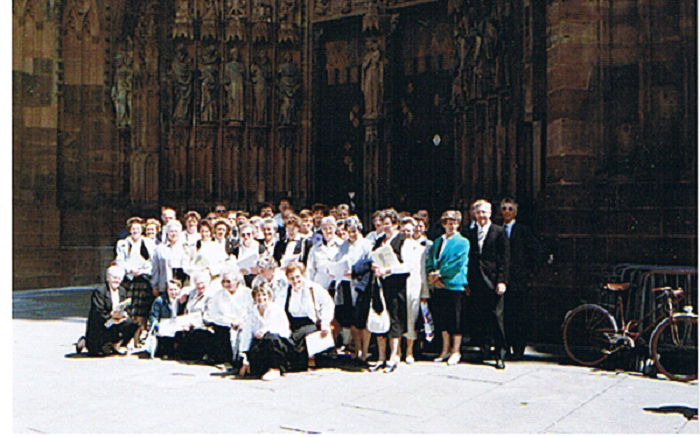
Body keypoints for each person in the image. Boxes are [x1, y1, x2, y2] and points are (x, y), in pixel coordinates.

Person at [464, 199, 510, 370]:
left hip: (493, 280)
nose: (481, 216)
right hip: (476, 281)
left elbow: (504, 259)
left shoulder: (499, 232)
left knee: (496, 317)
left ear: (490, 213)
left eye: (484, 212)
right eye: (478, 212)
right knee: (479, 316)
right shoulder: (469, 232)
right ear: (474, 214)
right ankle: (484, 350)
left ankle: (500, 354)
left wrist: (502, 281)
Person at [366, 209, 412, 373]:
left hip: (395, 285)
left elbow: (407, 266)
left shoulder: (403, 240)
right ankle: (380, 357)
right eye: (381, 224)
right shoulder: (379, 241)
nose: (384, 227)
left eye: (387, 224)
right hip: (379, 285)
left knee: (394, 319)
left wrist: (388, 270)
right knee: (379, 319)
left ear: (395, 224)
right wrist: (375, 267)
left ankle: (394, 356)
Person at [426, 210, 470, 366]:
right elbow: (431, 259)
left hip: (454, 284)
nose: (451, 225)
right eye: (448, 222)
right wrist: (432, 274)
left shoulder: (463, 242)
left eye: (455, 222)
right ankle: (445, 350)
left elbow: (458, 262)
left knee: (456, 319)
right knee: (442, 318)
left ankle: (455, 351)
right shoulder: (438, 241)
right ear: (443, 223)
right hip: (439, 285)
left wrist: (440, 274)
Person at [500, 198, 542, 360]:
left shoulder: (523, 230)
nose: (507, 211)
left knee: (518, 316)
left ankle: (518, 349)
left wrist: (530, 272)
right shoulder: (498, 230)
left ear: (515, 212)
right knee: (503, 316)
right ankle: (504, 347)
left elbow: (537, 251)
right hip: (501, 280)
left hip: (518, 281)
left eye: (510, 209)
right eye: (504, 208)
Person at [281, 262, 334, 371]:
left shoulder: (313, 288)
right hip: (293, 323)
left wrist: (325, 323)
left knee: (296, 338)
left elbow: (328, 304)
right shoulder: (286, 291)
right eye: (291, 278)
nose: (295, 281)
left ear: (302, 275)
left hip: (310, 323)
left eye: (297, 277)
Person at [334, 216, 373, 363]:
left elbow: (370, 263)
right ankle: (356, 350)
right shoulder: (343, 245)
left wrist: (356, 272)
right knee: (353, 320)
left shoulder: (366, 244)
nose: (352, 234)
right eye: (349, 231)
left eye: (354, 231)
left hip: (362, 285)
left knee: (363, 319)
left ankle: (365, 350)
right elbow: (338, 261)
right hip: (347, 284)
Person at [77, 265, 139, 356]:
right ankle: (85, 341)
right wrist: (111, 316)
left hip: (117, 321)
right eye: (114, 278)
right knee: (99, 353)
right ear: (108, 278)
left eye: (119, 278)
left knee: (132, 324)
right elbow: (98, 312)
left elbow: (127, 308)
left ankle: (116, 344)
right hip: (102, 324)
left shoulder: (122, 291)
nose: (117, 280)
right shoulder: (99, 292)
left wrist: (124, 314)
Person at [114, 217, 156, 346]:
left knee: (141, 311)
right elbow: (120, 260)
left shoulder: (148, 243)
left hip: (143, 278)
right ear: (129, 230)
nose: (135, 231)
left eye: (138, 228)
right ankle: (129, 339)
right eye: (133, 229)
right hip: (129, 278)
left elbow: (152, 261)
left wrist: (142, 270)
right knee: (130, 309)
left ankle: (139, 338)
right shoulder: (123, 243)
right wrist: (130, 269)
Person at [238, 283, 293, 381]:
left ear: (269, 296)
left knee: (270, 338)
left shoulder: (276, 310)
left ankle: (275, 368)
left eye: (264, 295)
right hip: (261, 343)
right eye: (258, 295)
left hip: (278, 344)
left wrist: (265, 330)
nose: (261, 298)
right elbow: (247, 334)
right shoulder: (252, 312)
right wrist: (245, 358)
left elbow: (283, 331)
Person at [203, 269, 253, 367]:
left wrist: (242, 321)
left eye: (230, 281)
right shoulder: (218, 295)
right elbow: (214, 315)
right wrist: (230, 322)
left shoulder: (247, 293)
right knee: (220, 331)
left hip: (244, 322)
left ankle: (242, 361)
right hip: (226, 324)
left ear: (237, 281)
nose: (227, 284)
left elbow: (251, 311)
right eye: (225, 282)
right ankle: (225, 360)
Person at [399, 217, 430, 364]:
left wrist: (424, 293)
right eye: (404, 230)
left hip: (414, 286)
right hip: (397, 287)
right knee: (397, 319)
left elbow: (422, 271)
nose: (407, 233)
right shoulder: (395, 245)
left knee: (411, 319)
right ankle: (397, 351)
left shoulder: (420, 248)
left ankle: (409, 351)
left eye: (409, 230)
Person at [146, 278, 187, 358]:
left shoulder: (182, 301)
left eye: (175, 289)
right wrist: (157, 327)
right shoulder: (160, 300)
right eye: (171, 290)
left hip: (177, 325)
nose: (173, 292)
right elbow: (153, 316)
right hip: (164, 326)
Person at [151, 220, 190, 295]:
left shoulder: (186, 249)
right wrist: (155, 286)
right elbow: (155, 269)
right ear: (167, 233)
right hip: (164, 287)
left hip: (181, 289)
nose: (174, 233)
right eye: (171, 231)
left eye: (176, 231)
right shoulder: (159, 249)